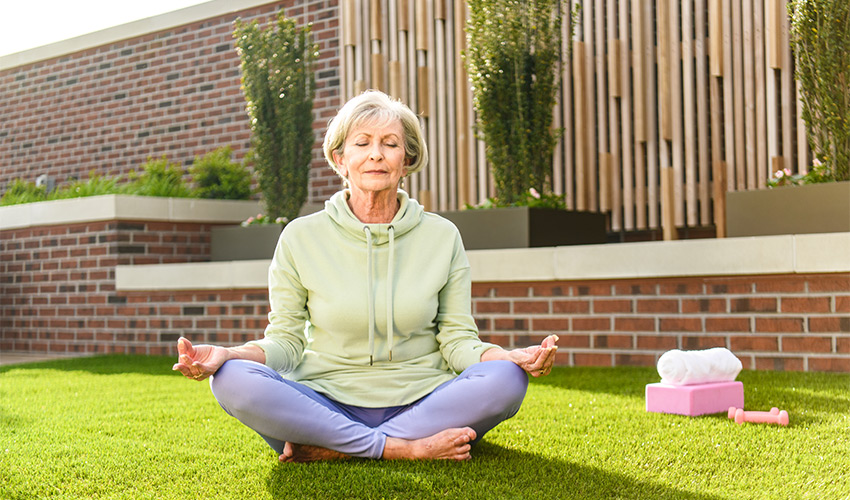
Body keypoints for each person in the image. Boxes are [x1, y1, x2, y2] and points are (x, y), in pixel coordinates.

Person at [173, 90, 559, 462]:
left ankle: (334, 447)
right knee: (229, 378)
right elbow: (285, 342)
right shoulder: (300, 237)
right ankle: (400, 448)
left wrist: (507, 357)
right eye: (362, 143)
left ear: (406, 160)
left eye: (390, 143)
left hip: (424, 398)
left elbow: (458, 340)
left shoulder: (442, 237)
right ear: (340, 159)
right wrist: (229, 354)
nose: (376, 153)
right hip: (326, 400)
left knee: (507, 380)